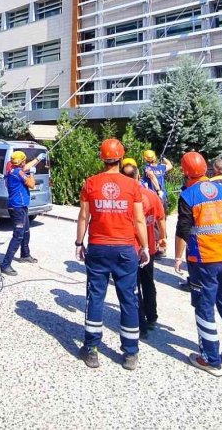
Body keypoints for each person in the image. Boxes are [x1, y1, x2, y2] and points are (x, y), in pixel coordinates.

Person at [174, 152, 222, 376]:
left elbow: (183, 229)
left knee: (204, 307)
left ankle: (210, 359)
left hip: (204, 259)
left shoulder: (188, 195)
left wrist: (178, 257)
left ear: (185, 171)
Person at [76, 139, 149, 371]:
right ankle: (130, 353)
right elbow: (139, 220)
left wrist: (79, 242)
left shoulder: (91, 183)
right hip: (125, 249)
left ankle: (91, 349)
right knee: (128, 299)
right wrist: (145, 247)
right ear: (121, 157)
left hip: (98, 247)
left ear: (102, 158)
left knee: (95, 296)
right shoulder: (133, 185)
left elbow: (83, 216)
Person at [121, 158, 165, 337]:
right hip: (150, 248)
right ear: (138, 175)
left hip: (131, 248)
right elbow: (161, 219)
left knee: (133, 286)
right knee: (148, 282)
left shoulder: (124, 197)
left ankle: (141, 324)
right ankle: (152, 316)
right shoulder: (151, 195)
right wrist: (163, 238)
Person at [0, 150, 45, 276]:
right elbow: (32, 184)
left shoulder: (13, 169)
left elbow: (24, 167)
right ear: (22, 161)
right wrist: (32, 173)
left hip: (21, 206)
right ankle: (5, 265)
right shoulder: (19, 173)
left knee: (26, 231)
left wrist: (38, 159)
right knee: (18, 235)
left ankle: (25, 254)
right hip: (17, 207)